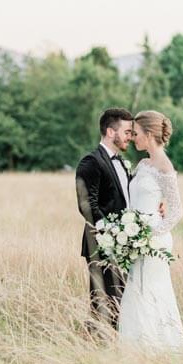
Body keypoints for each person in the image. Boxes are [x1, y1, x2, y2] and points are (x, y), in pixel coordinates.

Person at [117, 110, 183, 350]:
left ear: (148, 134)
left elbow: (177, 210)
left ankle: (157, 348)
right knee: (136, 292)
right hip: (137, 237)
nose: (133, 138)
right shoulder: (144, 163)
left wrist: (149, 234)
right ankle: (136, 349)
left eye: (136, 134)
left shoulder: (165, 166)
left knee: (151, 292)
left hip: (153, 242)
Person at [75, 108, 135, 329]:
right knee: (103, 304)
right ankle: (93, 347)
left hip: (125, 244)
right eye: (127, 132)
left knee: (122, 303)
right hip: (100, 244)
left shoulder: (122, 162)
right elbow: (86, 205)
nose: (131, 136)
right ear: (111, 131)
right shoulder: (91, 161)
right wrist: (111, 232)